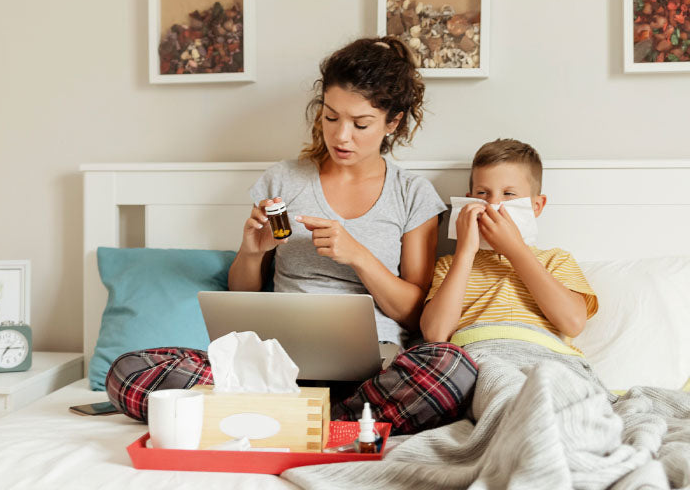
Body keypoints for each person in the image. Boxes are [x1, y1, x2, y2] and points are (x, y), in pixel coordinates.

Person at [106, 37, 477, 434]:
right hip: (270, 367)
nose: (341, 136)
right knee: (127, 372)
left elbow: (413, 312)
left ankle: (284, 420)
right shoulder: (282, 179)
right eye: (331, 117)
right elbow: (242, 296)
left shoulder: (412, 194)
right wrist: (251, 253)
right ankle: (333, 424)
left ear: (393, 122)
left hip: (371, 375)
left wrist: (358, 256)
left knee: (452, 369)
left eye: (360, 123)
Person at [420, 138, 599, 351]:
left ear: (536, 206)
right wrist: (465, 252)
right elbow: (435, 334)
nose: (494, 204)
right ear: (469, 201)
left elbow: (573, 323)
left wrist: (515, 250)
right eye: (482, 194)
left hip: (540, 354)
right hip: (474, 357)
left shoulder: (556, 260)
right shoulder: (450, 265)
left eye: (509, 194)